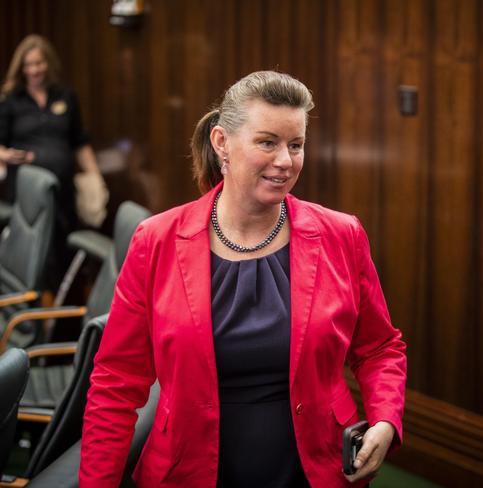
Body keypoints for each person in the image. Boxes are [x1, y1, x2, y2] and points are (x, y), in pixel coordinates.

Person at [80, 71, 407, 487]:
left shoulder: (342, 235)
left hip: (315, 469)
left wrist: (383, 419)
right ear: (222, 144)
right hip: (188, 470)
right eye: (267, 142)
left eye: (296, 145)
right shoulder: (156, 241)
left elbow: (380, 347)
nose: (286, 161)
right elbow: (116, 383)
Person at [0, 34, 103, 285]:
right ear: (21, 68)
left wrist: (95, 178)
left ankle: (57, 315)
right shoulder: (10, 100)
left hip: (62, 192)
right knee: (34, 256)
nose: (34, 69)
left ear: (48, 63)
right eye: (29, 64)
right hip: (27, 194)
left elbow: (80, 141)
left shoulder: (65, 96)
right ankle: (29, 311)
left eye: (39, 63)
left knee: (62, 253)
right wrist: (6, 154)